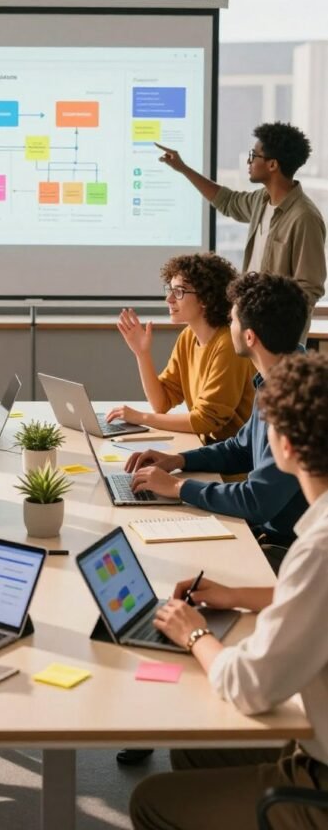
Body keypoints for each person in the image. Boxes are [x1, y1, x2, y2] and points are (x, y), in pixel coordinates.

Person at [130, 351, 328, 830]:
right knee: (197, 748)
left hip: (319, 773)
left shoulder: (318, 548)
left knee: (151, 801)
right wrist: (237, 596)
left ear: (283, 447)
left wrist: (195, 634)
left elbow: (249, 686)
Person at [127, 272, 309, 548]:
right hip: (268, 534)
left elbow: (256, 501)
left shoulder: (296, 403)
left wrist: (178, 487)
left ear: (249, 337)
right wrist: (178, 461)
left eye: (232, 320)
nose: (228, 324)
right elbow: (240, 448)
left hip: (286, 550)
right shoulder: (275, 380)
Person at [156, 122, 326, 326]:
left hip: (278, 336)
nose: (248, 160)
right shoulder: (260, 201)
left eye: (254, 156)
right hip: (251, 328)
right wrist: (183, 169)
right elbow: (226, 201)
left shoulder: (304, 217)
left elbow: (309, 288)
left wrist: (280, 329)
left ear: (272, 165)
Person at [106, 253, 254, 442]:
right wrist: (142, 354)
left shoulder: (228, 345)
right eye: (170, 290)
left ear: (205, 299)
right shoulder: (188, 337)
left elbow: (205, 421)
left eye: (179, 292)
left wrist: (141, 418)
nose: (169, 299)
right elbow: (162, 403)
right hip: (205, 450)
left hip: (231, 465)